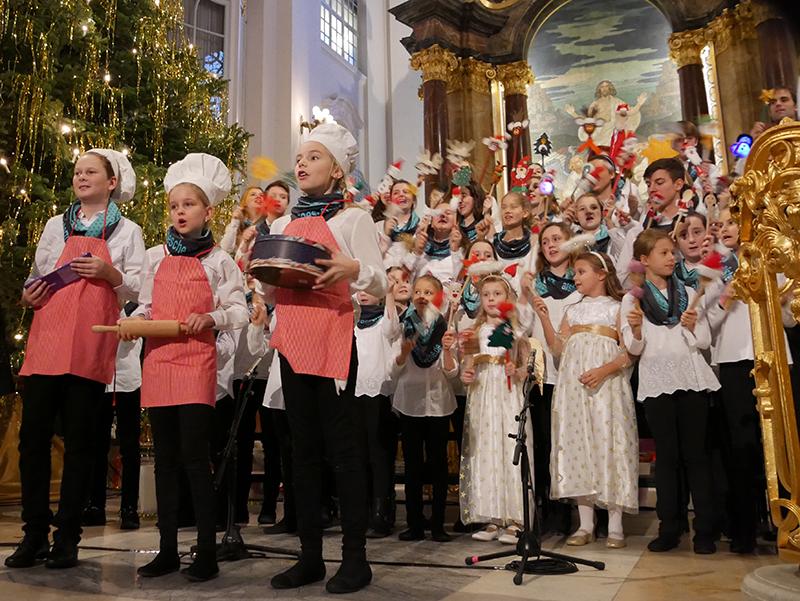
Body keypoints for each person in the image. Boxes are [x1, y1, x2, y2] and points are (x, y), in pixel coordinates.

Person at [264, 122, 387, 594]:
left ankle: (355, 560)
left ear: (337, 169)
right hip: (292, 344)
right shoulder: (284, 224)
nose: (302, 164)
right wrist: (264, 279)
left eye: (314, 157)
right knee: (302, 454)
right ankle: (309, 556)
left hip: (334, 341)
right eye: (300, 157)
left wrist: (354, 268)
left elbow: (377, 279)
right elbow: (274, 290)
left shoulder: (352, 219)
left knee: (345, 453)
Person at [7, 149, 144, 570]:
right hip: (48, 334)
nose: (81, 177)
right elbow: (38, 273)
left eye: (91, 172)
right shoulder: (55, 224)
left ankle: (68, 536)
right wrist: (30, 292)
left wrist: (110, 275)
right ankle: (34, 533)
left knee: (83, 442)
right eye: (77, 172)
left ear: (112, 182)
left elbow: (139, 287)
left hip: (90, 340)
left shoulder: (128, 230)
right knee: (33, 439)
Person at [124, 152, 248, 582]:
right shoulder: (155, 256)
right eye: (175, 205)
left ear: (208, 211)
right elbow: (145, 304)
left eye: (189, 205)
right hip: (159, 361)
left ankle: (208, 553)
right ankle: (168, 550)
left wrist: (211, 318)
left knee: (196, 458)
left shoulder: (219, 261)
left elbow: (240, 310)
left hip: (197, 364)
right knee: (166, 461)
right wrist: (134, 323)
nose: (180, 212)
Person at [621, 228, 719, 554]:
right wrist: (635, 330)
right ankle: (670, 527)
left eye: (672, 252)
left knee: (696, 456)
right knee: (667, 459)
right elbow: (633, 347)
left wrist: (693, 326)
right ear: (645, 260)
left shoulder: (688, 293)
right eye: (664, 253)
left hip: (691, 379)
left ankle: (704, 530)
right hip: (657, 382)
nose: (671, 258)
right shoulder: (632, 299)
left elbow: (704, 342)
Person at [534, 251, 638, 548]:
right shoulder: (573, 310)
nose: (575, 277)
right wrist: (544, 317)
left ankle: (616, 524)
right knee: (579, 445)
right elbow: (557, 348)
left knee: (610, 443)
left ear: (601, 274)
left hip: (607, 385)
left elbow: (629, 351)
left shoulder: (616, 308)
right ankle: (586, 524)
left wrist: (603, 371)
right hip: (574, 387)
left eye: (581, 272)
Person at [706, 207, 795, 553]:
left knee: (780, 444)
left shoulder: (772, 261)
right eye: (721, 224)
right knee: (740, 448)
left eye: (733, 221)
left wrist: (783, 299)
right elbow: (704, 325)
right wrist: (726, 296)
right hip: (732, 361)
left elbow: (789, 321)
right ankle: (743, 528)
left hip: (774, 358)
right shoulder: (714, 268)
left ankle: (786, 524)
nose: (727, 228)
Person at [459, 269, 531, 545]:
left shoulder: (515, 331)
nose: (490, 299)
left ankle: (514, 518)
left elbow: (528, 369)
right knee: (487, 451)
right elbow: (468, 366)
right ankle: (491, 516)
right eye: (486, 295)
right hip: (483, 395)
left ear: (508, 297)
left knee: (507, 448)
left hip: (506, 394)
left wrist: (518, 370)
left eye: (496, 294)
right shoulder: (475, 331)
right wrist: (467, 375)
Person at [392, 274, 458, 543]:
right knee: (413, 468)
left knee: (438, 466)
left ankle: (439, 524)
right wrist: (403, 354)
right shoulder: (402, 325)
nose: (421, 296)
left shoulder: (446, 327)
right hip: (410, 403)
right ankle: (414, 523)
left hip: (438, 403)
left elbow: (452, 373)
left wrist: (450, 351)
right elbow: (394, 370)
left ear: (438, 297)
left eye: (428, 292)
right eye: (418, 291)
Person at [523, 222, 577, 535]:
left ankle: (568, 508)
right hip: (543, 374)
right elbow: (524, 328)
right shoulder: (535, 285)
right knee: (543, 444)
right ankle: (545, 507)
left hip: (571, 373)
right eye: (545, 241)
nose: (551, 245)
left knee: (566, 444)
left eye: (557, 239)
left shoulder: (581, 281)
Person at [83, 303, 143, 531]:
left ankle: (129, 508)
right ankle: (95, 505)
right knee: (97, 444)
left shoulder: (137, 307)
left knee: (130, 447)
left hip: (128, 379)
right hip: (100, 377)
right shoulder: (100, 305)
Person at [353, 287, 402, 538]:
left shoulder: (385, 319)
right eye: (360, 289)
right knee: (359, 456)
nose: (363, 293)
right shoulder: (353, 320)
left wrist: (390, 294)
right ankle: (361, 511)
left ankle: (382, 513)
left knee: (379, 455)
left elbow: (393, 328)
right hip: (354, 393)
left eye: (370, 289)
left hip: (379, 394)